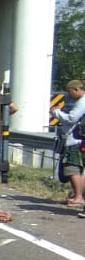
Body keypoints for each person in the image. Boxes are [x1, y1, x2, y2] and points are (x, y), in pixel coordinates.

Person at [51, 78, 85, 206]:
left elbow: (71, 118)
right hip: (75, 139)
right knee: (77, 169)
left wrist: (56, 113)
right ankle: (78, 195)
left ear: (77, 89)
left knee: (72, 167)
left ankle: (78, 197)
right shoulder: (77, 101)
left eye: (70, 91)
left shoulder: (82, 102)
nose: (69, 94)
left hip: (74, 140)